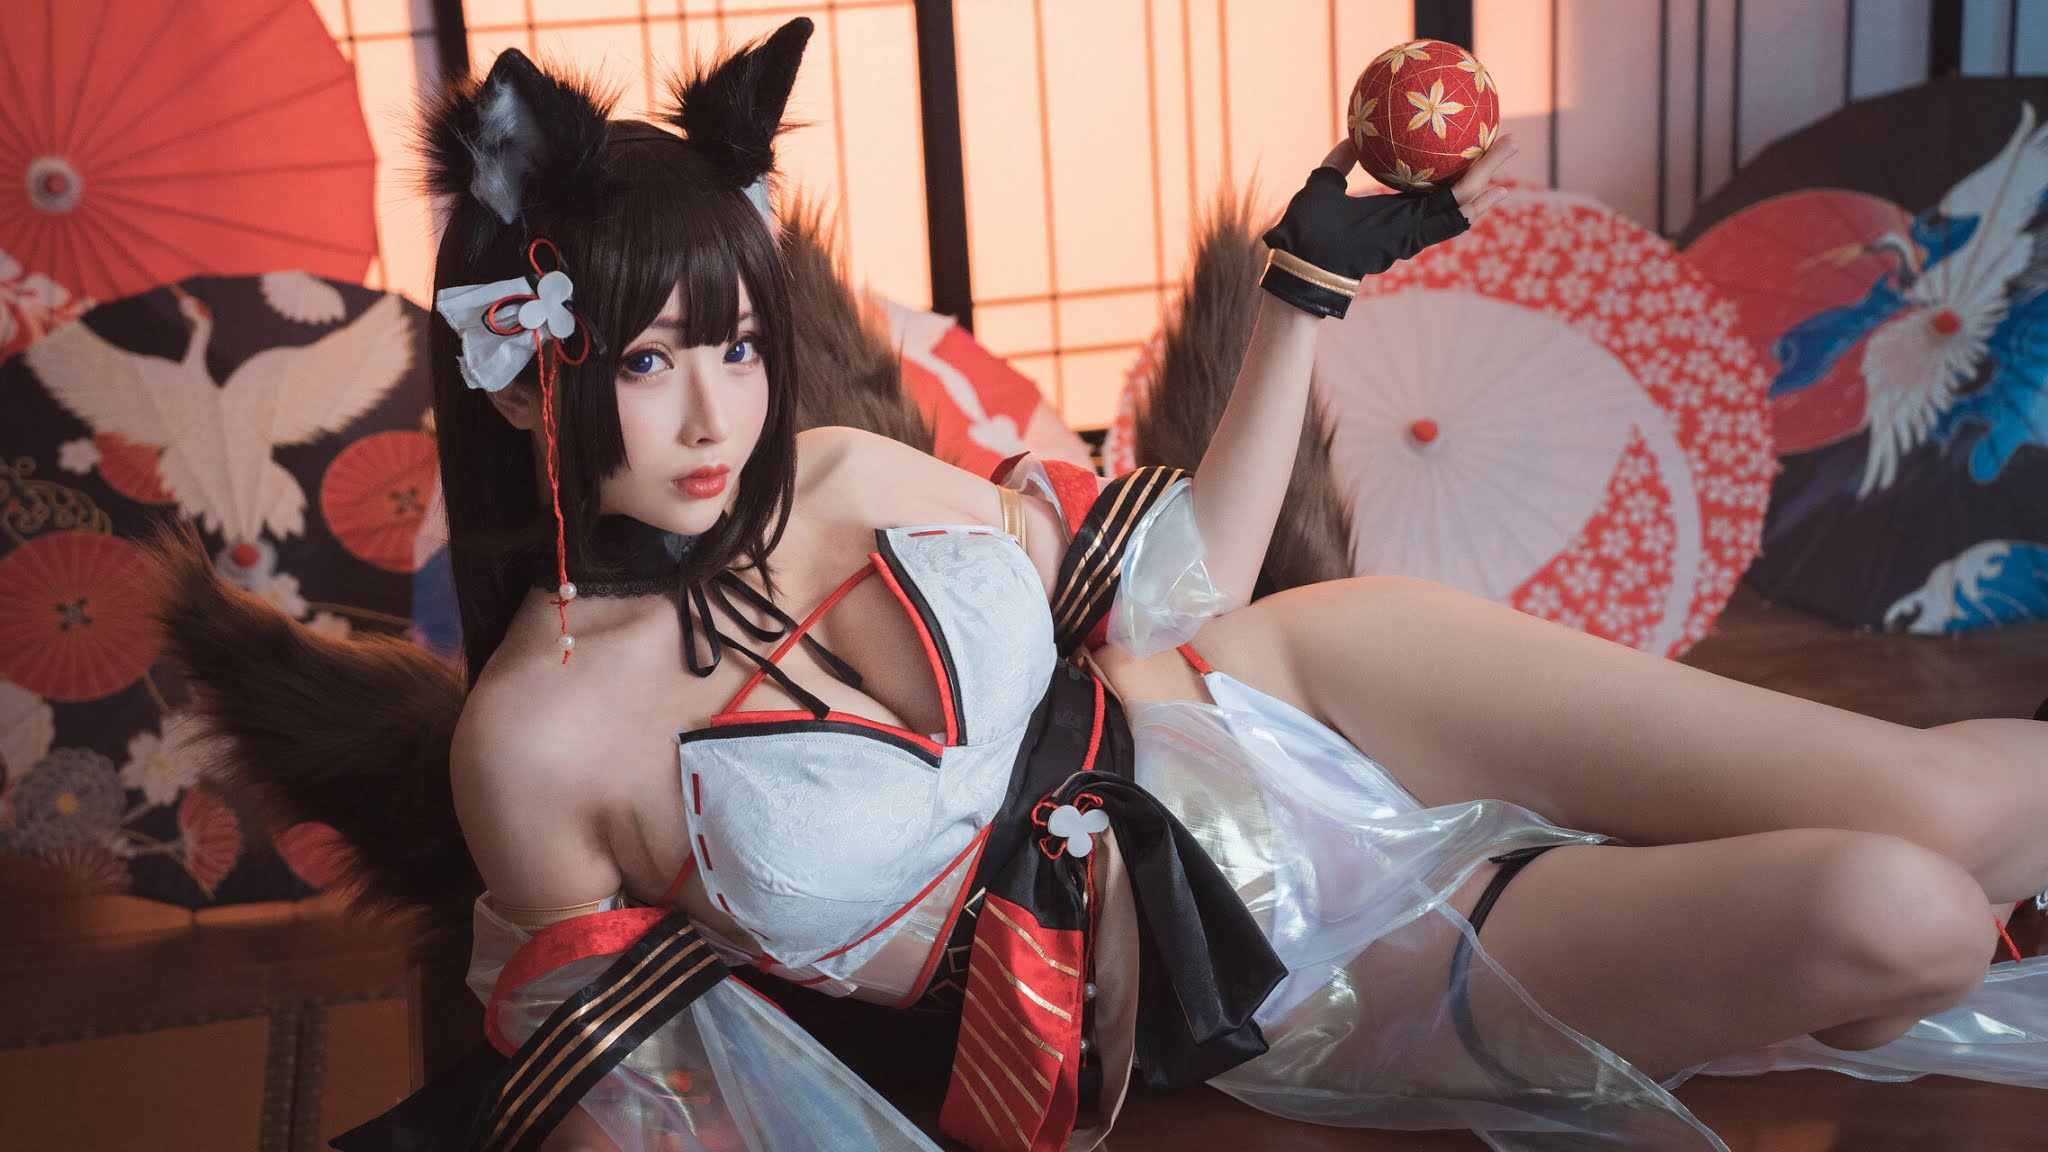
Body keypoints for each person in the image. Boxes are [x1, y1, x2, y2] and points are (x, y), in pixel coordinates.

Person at [157, 19, 2048, 1152]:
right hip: (1272, 987)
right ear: (530, 377)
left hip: (1306, 688)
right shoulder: (538, 744)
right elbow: (652, 1101)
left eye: (734, 343)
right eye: (647, 362)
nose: (717, 410)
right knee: (1906, 920)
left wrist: (1309, 283)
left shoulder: (850, 470)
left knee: (1952, 799)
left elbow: (1187, 580)